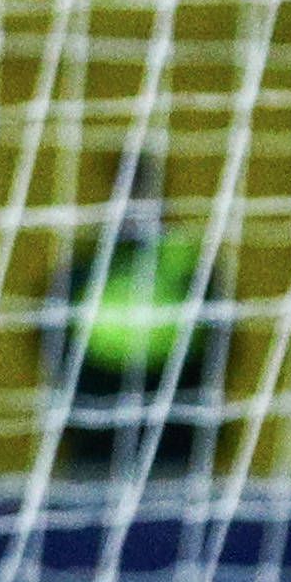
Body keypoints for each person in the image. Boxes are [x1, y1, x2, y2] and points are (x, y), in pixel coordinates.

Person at [44, 151, 222, 480]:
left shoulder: (184, 257)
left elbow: (222, 332)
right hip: (100, 398)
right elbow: (50, 325)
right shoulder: (90, 259)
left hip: (173, 400)